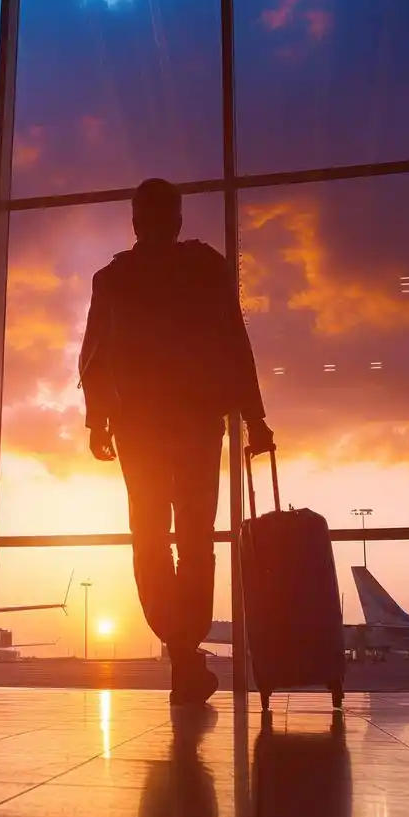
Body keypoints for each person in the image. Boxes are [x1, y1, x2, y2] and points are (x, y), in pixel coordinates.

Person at [79, 179, 273, 706]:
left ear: (137, 222)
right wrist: (254, 418)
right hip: (194, 424)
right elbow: (235, 343)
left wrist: (98, 422)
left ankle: (181, 648)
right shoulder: (204, 269)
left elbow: (94, 357)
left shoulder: (114, 279)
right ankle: (185, 648)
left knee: (149, 533)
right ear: (179, 220)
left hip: (140, 427)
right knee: (193, 537)